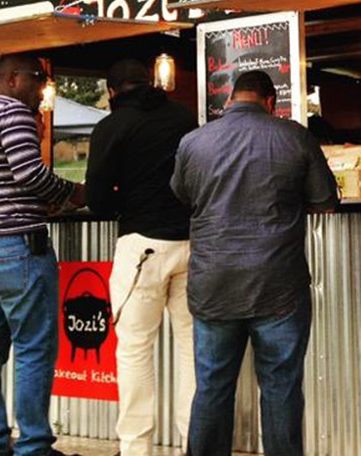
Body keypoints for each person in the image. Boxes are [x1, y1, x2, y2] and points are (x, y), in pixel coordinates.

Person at [170, 70, 338, 456]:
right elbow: (325, 199)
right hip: (278, 285)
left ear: (229, 99)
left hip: (214, 283)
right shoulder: (293, 136)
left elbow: (182, 193)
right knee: (280, 387)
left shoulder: (194, 142)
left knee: (212, 386)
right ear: (270, 102)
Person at [0, 53, 85, 456]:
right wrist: (73, 194)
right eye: (37, 78)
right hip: (17, 249)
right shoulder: (13, 114)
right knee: (32, 348)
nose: (43, 87)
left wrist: (36, 201)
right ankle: (33, 446)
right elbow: (29, 173)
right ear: (11, 79)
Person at [85, 59, 198, 456]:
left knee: (134, 350)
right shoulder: (183, 118)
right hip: (191, 244)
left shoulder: (111, 127)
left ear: (112, 91)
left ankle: (136, 449)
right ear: (150, 83)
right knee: (193, 350)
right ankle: (195, 445)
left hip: (142, 248)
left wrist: (124, 197)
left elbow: (97, 200)